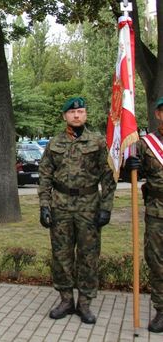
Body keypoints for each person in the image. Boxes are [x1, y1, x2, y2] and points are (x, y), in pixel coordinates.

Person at [38, 97, 116, 324]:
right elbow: (44, 176)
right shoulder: (54, 144)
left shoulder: (98, 142)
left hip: (89, 206)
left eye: (81, 112)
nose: (76, 116)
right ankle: (65, 300)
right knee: (61, 255)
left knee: (88, 256)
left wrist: (106, 208)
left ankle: (84, 303)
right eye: (72, 113)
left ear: (86, 115)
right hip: (60, 206)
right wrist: (44, 205)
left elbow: (108, 177)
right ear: (65, 116)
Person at [125, 96, 163, 333]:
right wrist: (130, 165)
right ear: (158, 114)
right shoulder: (146, 144)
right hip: (157, 211)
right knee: (157, 262)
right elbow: (124, 164)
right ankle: (161, 309)